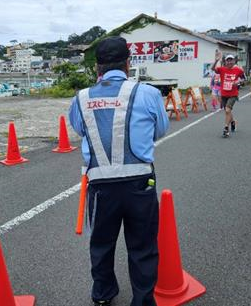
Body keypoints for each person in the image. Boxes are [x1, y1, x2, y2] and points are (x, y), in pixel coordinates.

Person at [69, 36, 169, 306]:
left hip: (100, 186)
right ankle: (143, 300)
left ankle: (102, 295)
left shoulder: (81, 98)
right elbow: (159, 130)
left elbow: (81, 130)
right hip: (140, 182)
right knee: (143, 247)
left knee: (101, 244)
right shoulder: (147, 93)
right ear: (128, 63)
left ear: (97, 68)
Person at [212, 52, 245, 138]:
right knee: (228, 111)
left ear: (234, 61)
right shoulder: (222, 69)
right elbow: (213, 69)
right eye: (228, 60)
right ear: (225, 62)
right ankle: (233, 121)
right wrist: (216, 61)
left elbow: (243, 79)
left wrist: (238, 82)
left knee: (227, 110)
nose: (229, 62)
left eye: (231, 60)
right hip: (224, 94)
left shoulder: (238, 70)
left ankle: (226, 129)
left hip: (233, 94)